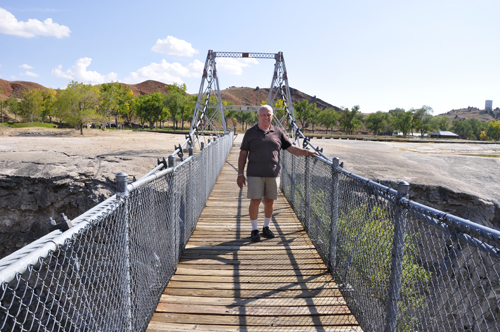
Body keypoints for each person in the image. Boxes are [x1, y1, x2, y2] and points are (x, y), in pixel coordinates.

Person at [237, 104, 319, 242]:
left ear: (272, 116)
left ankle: (266, 227)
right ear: (258, 116)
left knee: (269, 201)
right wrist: (240, 174)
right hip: (254, 173)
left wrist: (307, 152)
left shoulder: (278, 132)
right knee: (255, 201)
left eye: (269, 114)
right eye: (263, 115)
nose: (266, 117)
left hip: (273, 173)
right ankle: (254, 230)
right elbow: (243, 154)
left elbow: (291, 148)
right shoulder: (250, 132)